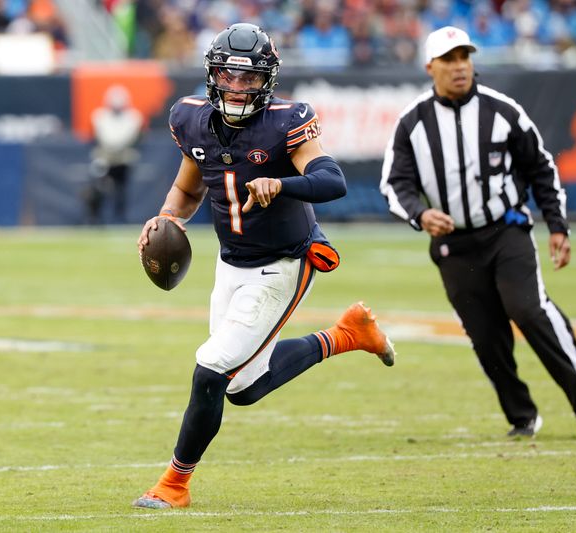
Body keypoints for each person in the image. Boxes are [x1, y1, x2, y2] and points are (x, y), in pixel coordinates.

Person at [134, 23, 396, 509]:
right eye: (227, 76)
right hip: (231, 262)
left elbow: (331, 179)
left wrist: (283, 183)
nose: (236, 87)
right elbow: (189, 187)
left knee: (211, 369)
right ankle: (347, 335)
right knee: (242, 389)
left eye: (249, 79)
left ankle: (174, 484)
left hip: (284, 263)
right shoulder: (190, 120)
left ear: (267, 81)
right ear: (211, 75)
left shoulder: (285, 123)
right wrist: (168, 217)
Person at [380, 26, 576, 439]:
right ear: (430, 66)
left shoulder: (503, 111)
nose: (460, 67)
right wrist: (420, 214)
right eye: (449, 60)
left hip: (506, 232)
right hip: (453, 244)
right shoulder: (412, 123)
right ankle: (522, 415)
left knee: (528, 310)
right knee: (485, 335)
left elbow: (541, 168)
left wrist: (557, 225)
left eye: (465, 57)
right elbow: (393, 185)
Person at [85, 85, 143, 224]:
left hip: (123, 159)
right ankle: (95, 217)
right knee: (97, 187)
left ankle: (120, 217)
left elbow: (127, 139)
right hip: (104, 158)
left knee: (121, 190)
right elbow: (104, 139)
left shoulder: (133, 117)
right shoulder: (100, 116)